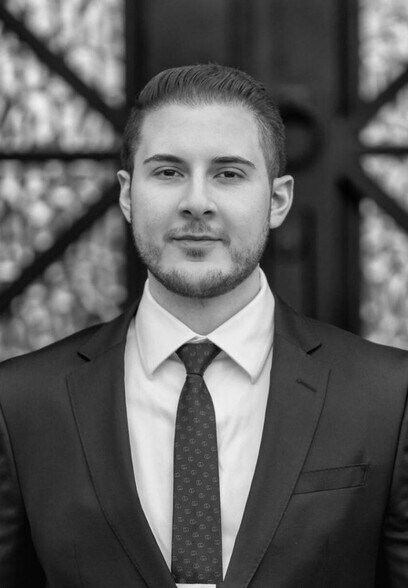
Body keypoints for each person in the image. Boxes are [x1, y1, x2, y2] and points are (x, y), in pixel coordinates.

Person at [0, 64, 407, 588]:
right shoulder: (21, 403)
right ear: (127, 194)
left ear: (277, 200)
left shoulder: (388, 397)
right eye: (168, 172)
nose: (196, 203)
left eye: (228, 174)